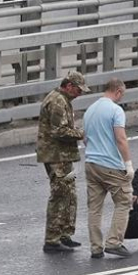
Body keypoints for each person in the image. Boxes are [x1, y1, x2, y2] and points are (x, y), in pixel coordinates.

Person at [36, 71, 90, 253]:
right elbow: (59, 131)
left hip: (63, 155)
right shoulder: (57, 101)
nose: (80, 94)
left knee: (69, 195)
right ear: (68, 86)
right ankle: (52, 240)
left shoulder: (62, 99)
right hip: (56, 156)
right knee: (59, 195)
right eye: (78, 90)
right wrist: (81, 133)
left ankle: (64, 234)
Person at [83, 78, 134, 259]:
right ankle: (114, 242)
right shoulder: (115, 110)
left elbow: (85, 138)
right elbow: (121, 138)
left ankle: (96, 247)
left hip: (91, 163)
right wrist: (128, 163)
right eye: (123, 94)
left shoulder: (90, 110)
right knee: (124, 201)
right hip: (110, 164)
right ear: (118, 91)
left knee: (94, 208)